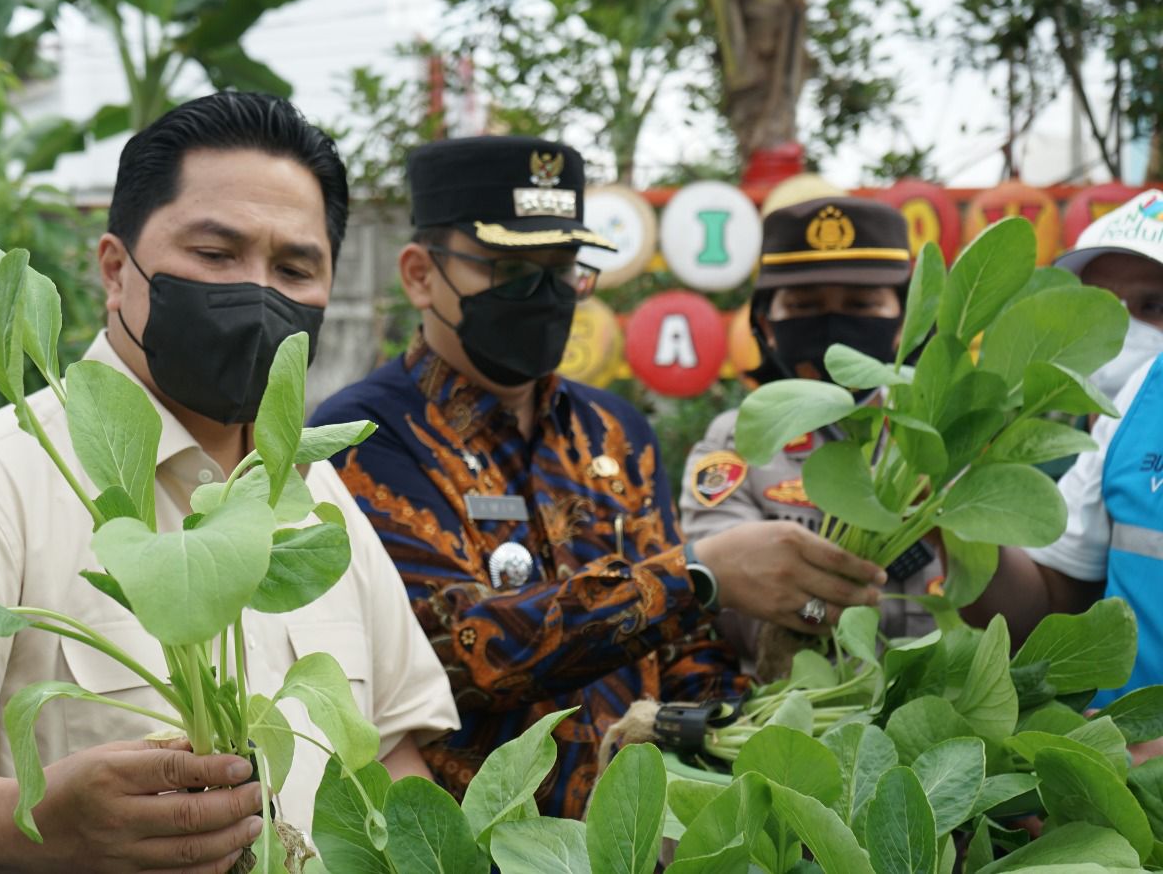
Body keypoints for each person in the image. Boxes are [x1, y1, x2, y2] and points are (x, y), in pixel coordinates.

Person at [0, 93, 459, 873]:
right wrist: (39, 826)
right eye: (216, 254)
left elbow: (390, 749)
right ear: (116, 270)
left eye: (293, 267)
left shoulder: (310, 491)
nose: (256, 291)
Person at [310, 137, 885, 818]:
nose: (546, 294)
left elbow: (682, 651)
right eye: (512, 269)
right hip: (478, 845)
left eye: (564, 269)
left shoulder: (616, 433)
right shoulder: (365, 439)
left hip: (639, 839)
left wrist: (765, 716)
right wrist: (694, 577)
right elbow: (450, 652)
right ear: (419, 274)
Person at [682, 196, 944, 673]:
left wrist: (955, 513)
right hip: (787, 719)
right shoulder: (737, 440)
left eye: (860, 305)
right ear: (766, 325)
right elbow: (726, 601)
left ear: (903, 322)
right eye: (804, 306)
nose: (833, 324)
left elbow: (1018, 608)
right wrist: (815, 614)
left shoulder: (944, 433)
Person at [965, 190, 1163, 720]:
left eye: (1154, 306)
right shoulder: (1134, 403)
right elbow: (1051, 609)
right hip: (1118, 780)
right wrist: (958, 507)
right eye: (1095, 306)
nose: (1119, 331)